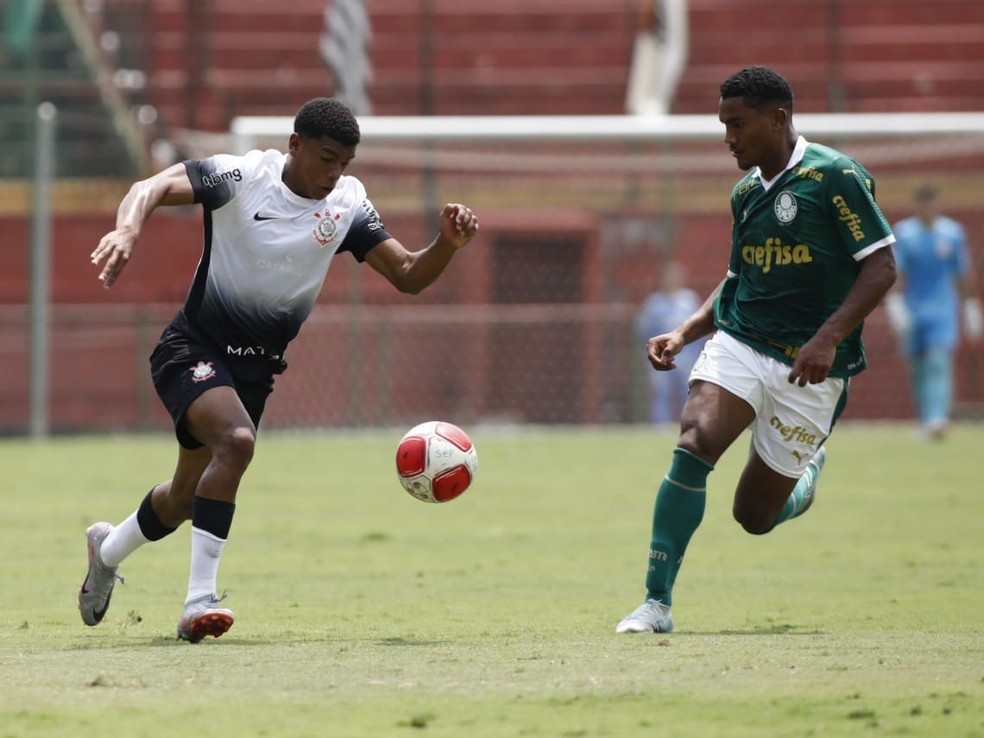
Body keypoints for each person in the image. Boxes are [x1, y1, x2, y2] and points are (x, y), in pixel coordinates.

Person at [78, 98, 479, 643]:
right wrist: (127, 230)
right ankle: (199, 601)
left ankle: (105, 551)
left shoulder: (347, 203)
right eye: (326, 158)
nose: (334, 173)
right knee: (237, 443)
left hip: (253, 373)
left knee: (181, 497)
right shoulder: (242, 176)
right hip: (191, 347)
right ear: (295, 145)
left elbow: (407, 274)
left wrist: (447, 246)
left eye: (345, 163)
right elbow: (148, 187)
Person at [616, 66, 898, 634]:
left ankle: (805, 478)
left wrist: (826, 338)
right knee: (695, 440)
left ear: (779, 119)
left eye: (737, 124)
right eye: (723, 124)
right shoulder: (745, 194)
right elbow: (735, 279)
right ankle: (655, 603)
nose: (728, 137)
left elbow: (882, 267)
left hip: (814, 368)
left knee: (754, 516)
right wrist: (685, 332)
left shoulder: (835, 177)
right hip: (742, 342)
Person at [885, 184, 982, 440]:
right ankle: (926, 418)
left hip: (943, 309)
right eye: (924, 204)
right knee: (917, 366)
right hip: (914, 308)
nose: (929, 209)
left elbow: (961, 273)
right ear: (918, 206)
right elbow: (897, 271)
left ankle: (938, 419)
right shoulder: (905, 233)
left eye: (932, 204)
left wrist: (970, 305)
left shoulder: (952, 234)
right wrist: (894, 305)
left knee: (938, 362)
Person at [635, 263, 703, 424]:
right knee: (660, 392)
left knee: (687, 391)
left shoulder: (689, 300)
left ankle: (687, 424)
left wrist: (698, 353)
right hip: (661, 355)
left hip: (686, 355)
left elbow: (700, 327)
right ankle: (660, 427)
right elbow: (643, 329)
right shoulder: (654, 303)